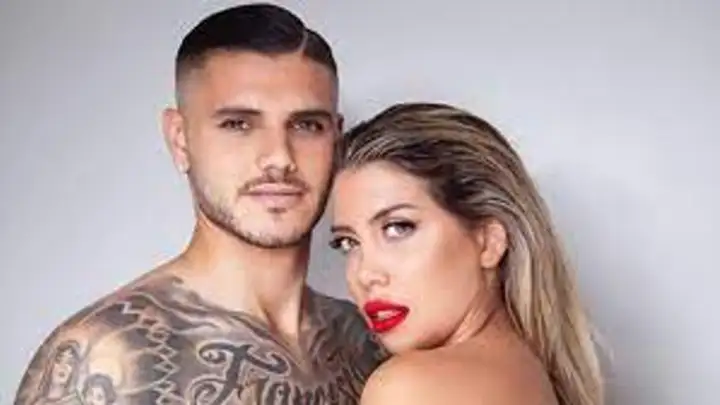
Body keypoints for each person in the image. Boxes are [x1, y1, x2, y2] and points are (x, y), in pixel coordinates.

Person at [14, 4, 386, 404]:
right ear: (180, 140)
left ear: (336, 140)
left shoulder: (368, 341)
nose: (279, 157)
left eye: (307, 125)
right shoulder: (103, 357)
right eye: (238, 124)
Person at [329, 102, 605, 405]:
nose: (365, 275)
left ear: (488, 242)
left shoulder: (409, 388)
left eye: (398, 228)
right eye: (348, 243)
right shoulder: (529, 376)